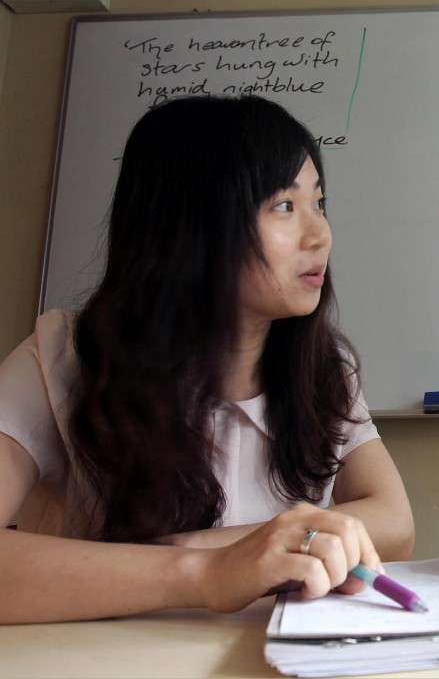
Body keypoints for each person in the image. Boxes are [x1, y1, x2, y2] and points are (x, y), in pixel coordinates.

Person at [0, 95, 415, 623]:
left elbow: (394, 522)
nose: (321, 236)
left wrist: (241, 548)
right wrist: (212, 569)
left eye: (319, 203)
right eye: (284, 206)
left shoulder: (322, 367)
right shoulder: (65, 354)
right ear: (191, 224)